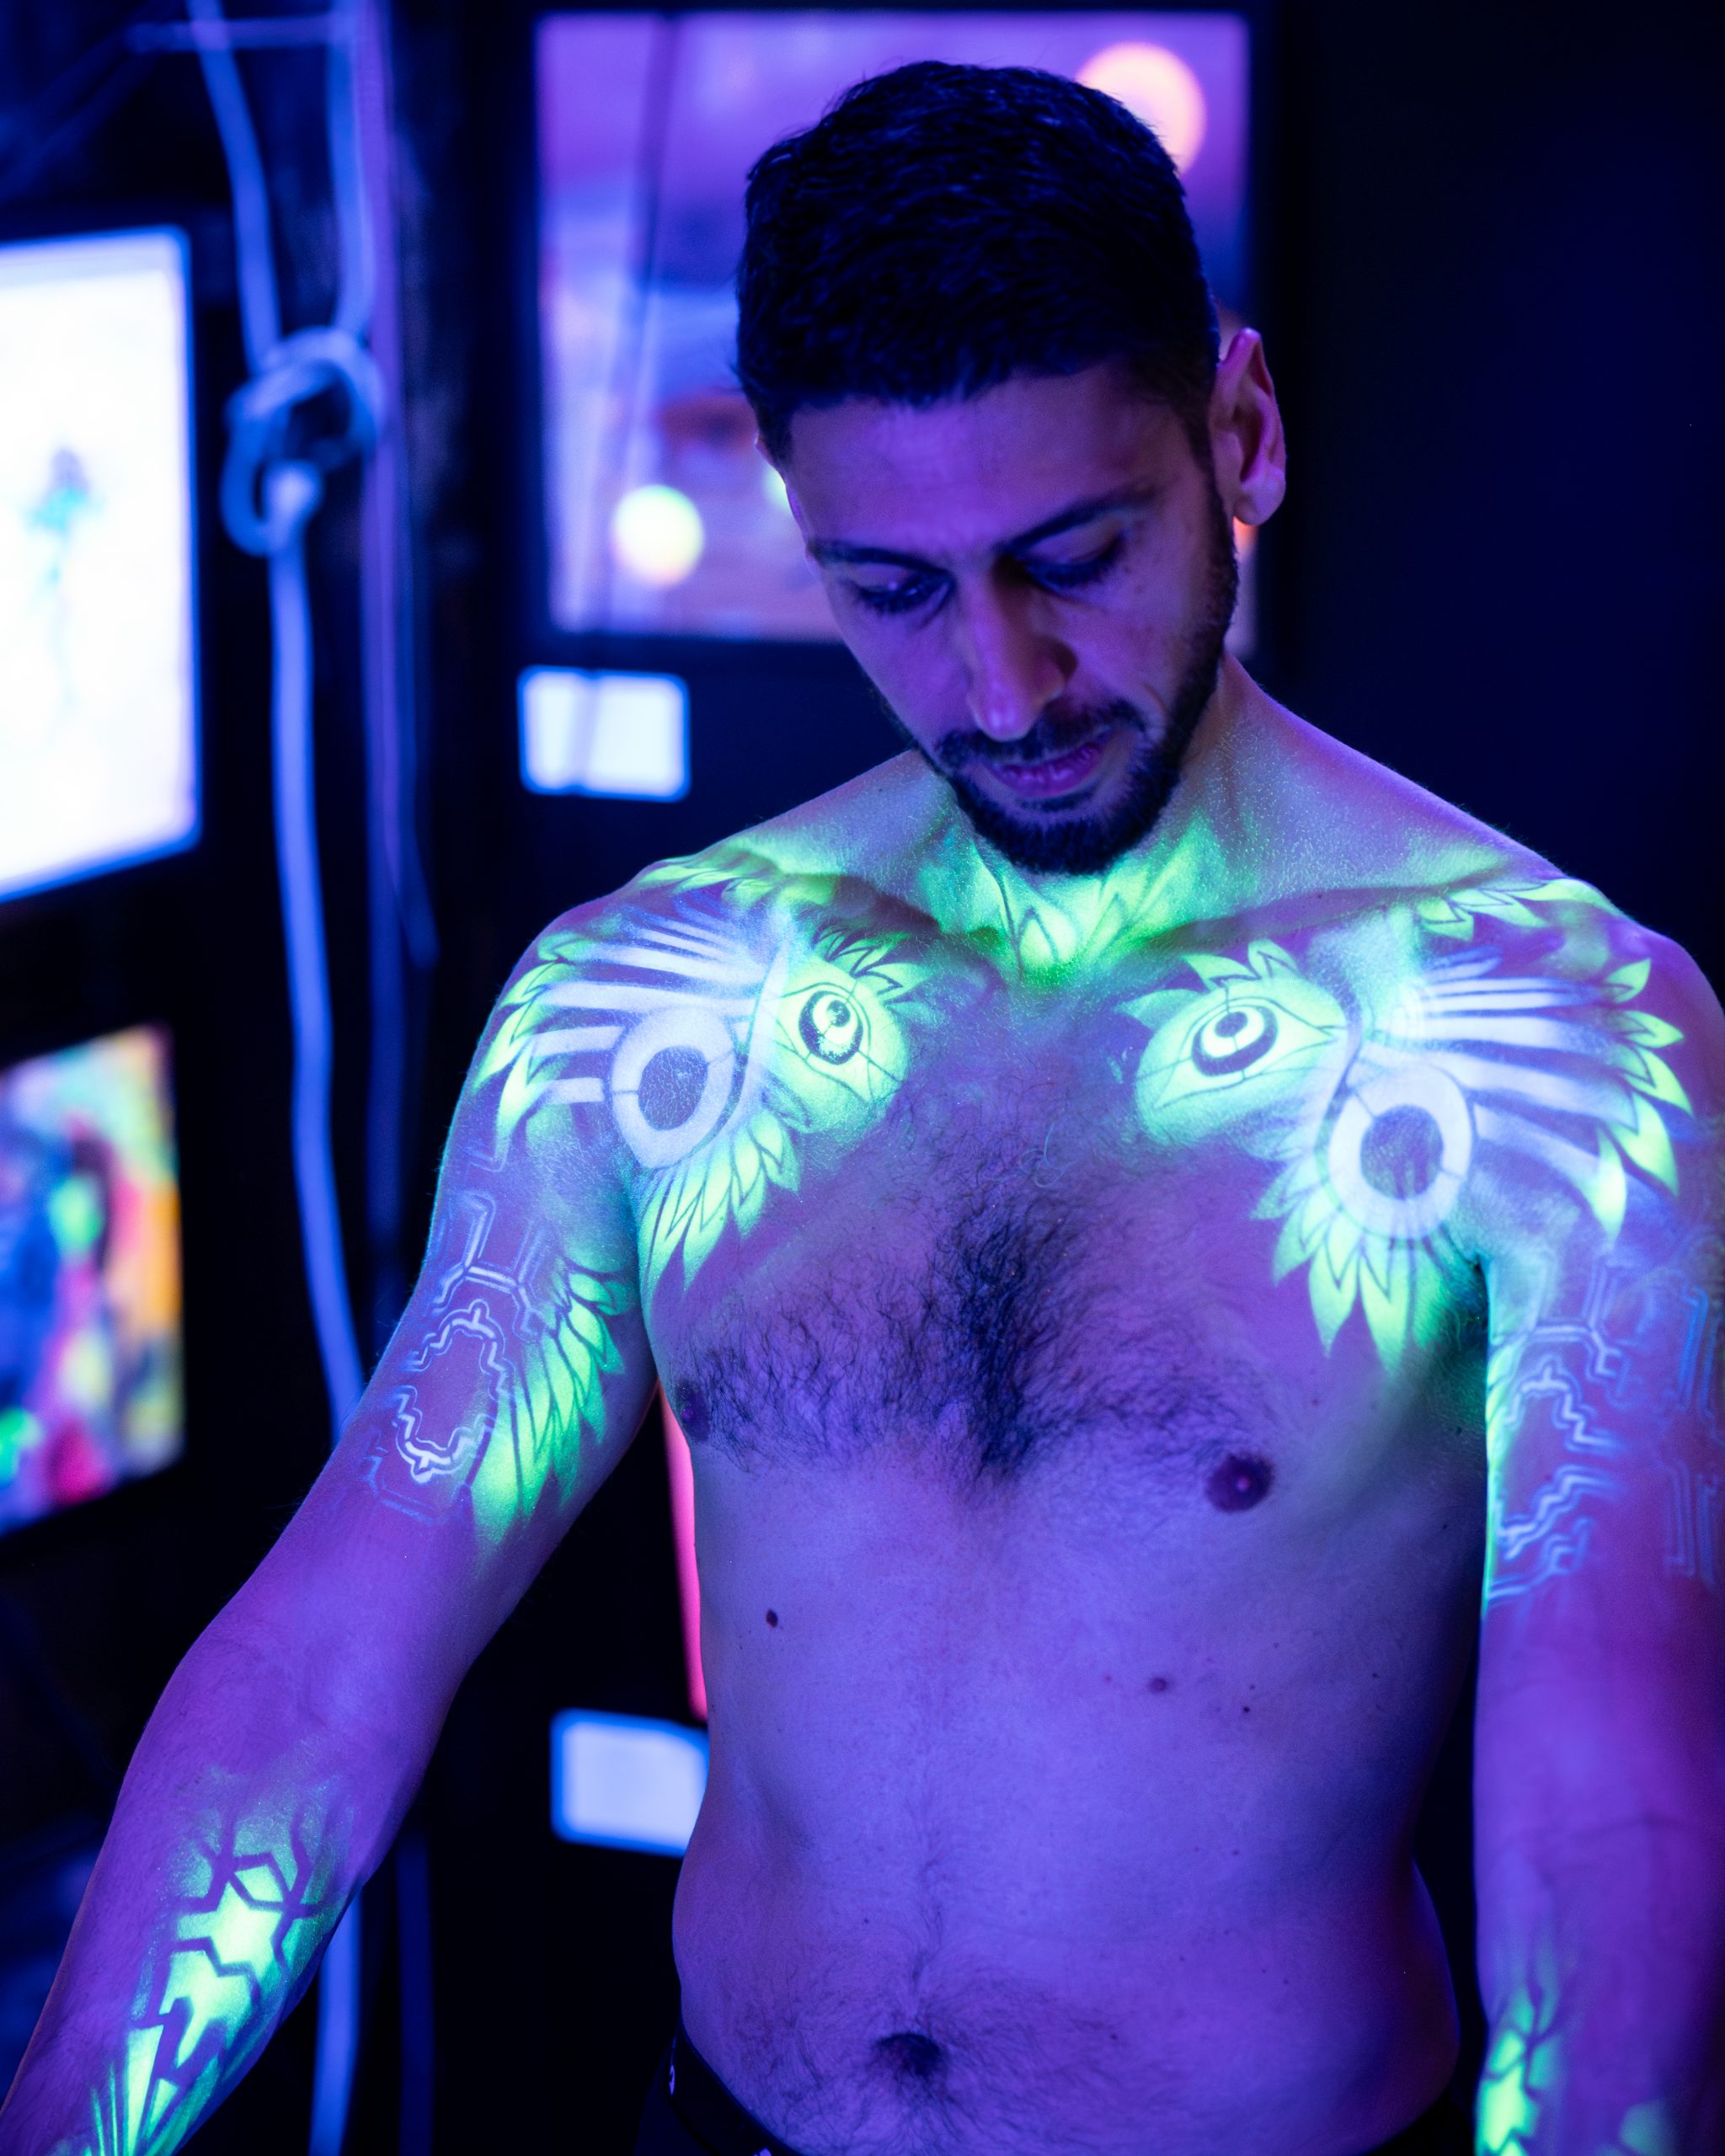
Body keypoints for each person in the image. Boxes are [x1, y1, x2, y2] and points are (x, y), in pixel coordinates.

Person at [4, 60, 1722, 2156]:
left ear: (1241, 434)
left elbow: (1606, 1805)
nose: (1001, 684)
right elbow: (329, 1658)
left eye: (1071, 556)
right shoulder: (647, 1002)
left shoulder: (1554, 1044)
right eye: (891, 590)